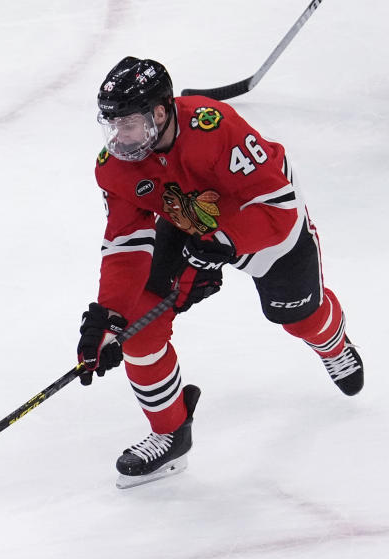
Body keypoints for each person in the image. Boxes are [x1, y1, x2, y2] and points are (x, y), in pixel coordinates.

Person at [76, 57, 363, 489]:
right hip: (186, 223)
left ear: (159, 112)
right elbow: (126, 242)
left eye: (128, 123)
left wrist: (226, 242)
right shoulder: (116, 165)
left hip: (258, 224)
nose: (119, 137)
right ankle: (170, 432)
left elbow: (278, 209)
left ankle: (332, 342)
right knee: (136, 329)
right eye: (112, 124)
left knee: (299, 317)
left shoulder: (217, 129)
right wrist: (109, 316)